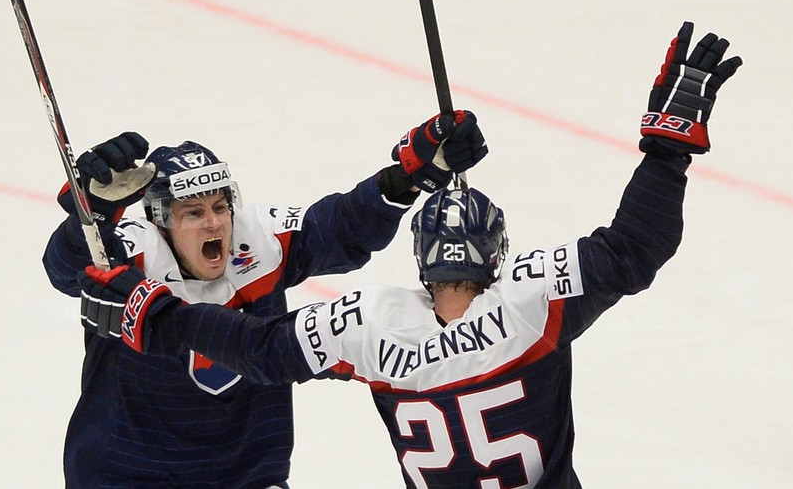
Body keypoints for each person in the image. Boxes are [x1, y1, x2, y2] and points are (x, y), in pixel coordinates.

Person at [78, 21, 742, 488]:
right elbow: (635, 247)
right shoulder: (530, 304)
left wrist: (157, 317)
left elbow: (260, 351)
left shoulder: (370, 324)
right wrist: (668, 148)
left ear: (422, 261)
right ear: (497, 257)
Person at [42, 108, 488, 488]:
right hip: (128, 476)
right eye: (193, 213)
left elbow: (340, 227)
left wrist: (408, 176)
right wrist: (94, 210)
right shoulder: (128, 256)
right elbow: (67, 268)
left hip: (248, 476)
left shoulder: (260, 246)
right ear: (160, 222)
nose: (214, 224)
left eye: (219, 207)